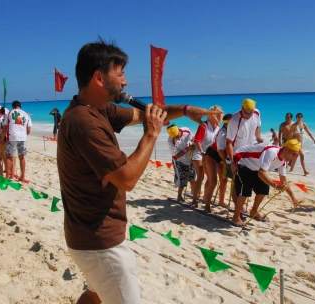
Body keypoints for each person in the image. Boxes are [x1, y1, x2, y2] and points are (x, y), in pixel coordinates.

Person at [56, 38, 219, 304]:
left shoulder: (97, 110)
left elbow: (147, 114)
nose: (125, 82)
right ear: (99, 77)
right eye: (119, 74)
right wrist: (152, 135)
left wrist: (187, 110)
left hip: (87, 236)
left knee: (94, 295)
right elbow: (126, 178)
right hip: (100, 243)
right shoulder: (85, 123)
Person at [230, 140, 301, 226]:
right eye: (294, 154)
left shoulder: (283, 161)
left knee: (264, 189)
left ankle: (254, 211)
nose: (294, 157)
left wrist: (293, 198)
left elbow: (284, 181)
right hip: (242, 160)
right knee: (245, 189)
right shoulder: (271, 152)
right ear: (286, 149)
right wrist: (275, 185)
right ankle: (236, 217)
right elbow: (261, 173)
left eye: (296, 155)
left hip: (255, 168)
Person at [190, 105, 222, 206]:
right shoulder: (204, 125)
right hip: (199, 152)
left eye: (218, 115)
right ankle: (194, 200)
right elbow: (197, 140)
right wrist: (202, 152)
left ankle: (205, 197)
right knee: (200, 176)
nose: (217, 117)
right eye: (215, 115)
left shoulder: (219, 128)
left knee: (210, 177)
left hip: (210, 154)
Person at [203, 114, 232, 212]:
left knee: (224, 180)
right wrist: (226, 162)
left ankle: (221, 201)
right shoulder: (223, 133)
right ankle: (207, 204)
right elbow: (220, 151)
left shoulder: (234, 131)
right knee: (213, 181)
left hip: (222, 155)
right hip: (213, 154)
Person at [225, 98, 263, 166]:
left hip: (249, 151)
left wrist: (258, 137)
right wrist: (233, 161)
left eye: (250, 113)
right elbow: (228, 142)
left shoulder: (256, 113)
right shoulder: (234, 121)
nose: (247, 115)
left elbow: (257, 127)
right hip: (236, 153)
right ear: (242, 108)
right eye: (245, 112)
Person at [3, 100, 32, 183]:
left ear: (13, 106)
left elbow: (5, 126)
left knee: (9, 156)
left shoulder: (9, 113)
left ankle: (7, 176)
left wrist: (2, 136)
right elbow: (29, 129)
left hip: (12, 136)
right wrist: (24, 134)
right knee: (22, 157)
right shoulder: (26, 114)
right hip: (22, 137)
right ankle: (22, 177)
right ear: (20, 106)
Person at [167, 124, 197, 203]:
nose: (177, 138)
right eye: (174, 137)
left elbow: (191, 140)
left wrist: (193, 144)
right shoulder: (170, 141)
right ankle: (179, 196)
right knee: (182, 179)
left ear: (179, 131)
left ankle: (194, 195)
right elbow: (176, 155)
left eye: (177, 136)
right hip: (179, 161)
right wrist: (187, 149)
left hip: (190, 158)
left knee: (192, 178)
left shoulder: (186, 130)